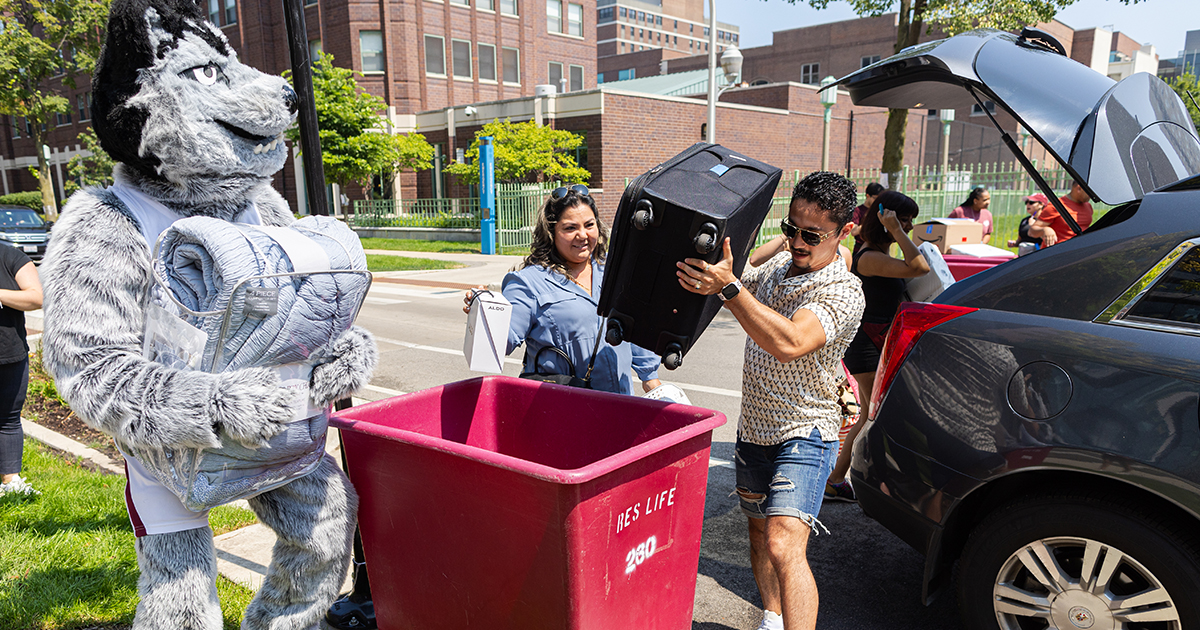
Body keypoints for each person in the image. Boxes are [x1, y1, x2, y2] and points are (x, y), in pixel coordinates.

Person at [676, 171, 864, 630]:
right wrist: (710, 279)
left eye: (811, 235)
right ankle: (773, 618)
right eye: (790, 228)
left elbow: (792, 340)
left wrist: (730, 288)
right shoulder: (780, 269)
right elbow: (734, 292)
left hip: (806, 431)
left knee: (784, 543)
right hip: (754, 429)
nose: (796, 242)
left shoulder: (843, 290)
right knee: (759, 534)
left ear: (845, 232)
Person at [465, 184, 661, 395]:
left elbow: (631, 328)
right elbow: (503, 341)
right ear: (551, 233)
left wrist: (651, 378)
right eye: (570, 228)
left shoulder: (614, 272)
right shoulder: (528, 282)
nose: (583, 235)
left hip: (620, 403)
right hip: (561, 408)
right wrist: (484, 313)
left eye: (589, 225)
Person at [825, 190, 929, 503]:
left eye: (910, 221)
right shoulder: (869, 257)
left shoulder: (880, 254)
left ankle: (839, 478)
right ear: (886, 220)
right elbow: (920, 267)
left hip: (877, 341)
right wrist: (896, 229)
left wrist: (897, 231)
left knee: (873, 413)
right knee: (872, 413)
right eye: (905, 220)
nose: (909, 227)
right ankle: (838, 478)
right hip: (868, 345)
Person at [0, 244, 44, 497]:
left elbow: (35, 298)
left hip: (9, 354)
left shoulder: (11, 256)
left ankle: (11, 482)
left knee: (8, 418)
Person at [1028, 181, 1093, 246]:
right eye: (1089, 192)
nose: (1092, 196)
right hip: (1057, 252)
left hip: (1079, 251)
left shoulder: (1088, 206)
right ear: (1079, 188)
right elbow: (1031, 232)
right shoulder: (1056, 206)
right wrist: (1045, 229)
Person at [849, 182, 885, 251]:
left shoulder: (880, 210)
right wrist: (869, 222)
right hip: (860, 249)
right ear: (868, 196)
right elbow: (853, 231)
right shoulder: (858, 211)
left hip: (878, 248)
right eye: (875, 198)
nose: (878, 202)